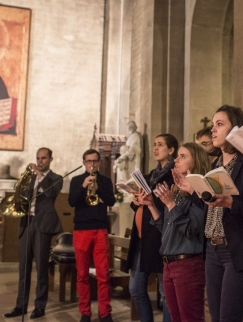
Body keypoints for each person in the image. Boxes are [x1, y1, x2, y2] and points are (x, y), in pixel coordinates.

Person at [204, 105, 243, 322]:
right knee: (216, 317)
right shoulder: (215, 165)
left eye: (219, 124)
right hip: (212, 248)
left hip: (238, 249)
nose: (213, 130)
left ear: (236, 130)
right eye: (213, 125)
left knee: (229, 318)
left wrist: (232, 204)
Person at [139, 142, 210, 322]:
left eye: (183, 156)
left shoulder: (202, 192)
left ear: (195, 162)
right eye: (177, 156)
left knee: (190, 318)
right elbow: (167, 229)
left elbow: (192, 230)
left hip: (187, 264)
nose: (176, 160)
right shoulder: (178, 192)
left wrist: (170, 204)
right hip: (169, 263)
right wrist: (152, 206)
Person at [4, 148, 63, 320]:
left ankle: (39, 307)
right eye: (38, 158)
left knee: (41, 268)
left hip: (43, 225)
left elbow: (51, 193)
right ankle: (20, 306)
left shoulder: (56, 178)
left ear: (51, 159)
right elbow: (21, 197)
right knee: (23, 268)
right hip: (26, 223)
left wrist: (38, 174)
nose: (40, 161)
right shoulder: (29, 178)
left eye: (43, 158)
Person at [127, 134, 177, 322]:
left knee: (166, 292)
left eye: (160, 145)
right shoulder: (149, 176)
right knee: (136, 288)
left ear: (171, 150)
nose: (155, 148)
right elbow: (140, 205)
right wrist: (135, 200)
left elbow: (168, 205)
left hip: (160, 238)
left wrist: (149, 201)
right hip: (142, 238)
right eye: (154, 144)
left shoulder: (173, 176)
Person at [69, 149, 116, 322]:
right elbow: (72, 201)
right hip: (81, 231)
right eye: (89, 161)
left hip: (100, 230)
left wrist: (97, 189)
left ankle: (105, 313)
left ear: (99, 163)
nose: (92, 164)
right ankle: (85, 313)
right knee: (82, 275)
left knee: (103, 275)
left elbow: (111, 201)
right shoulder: (76, 181)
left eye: (95, 161)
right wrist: (83, 187)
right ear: (84, 162)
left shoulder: (105, 181)